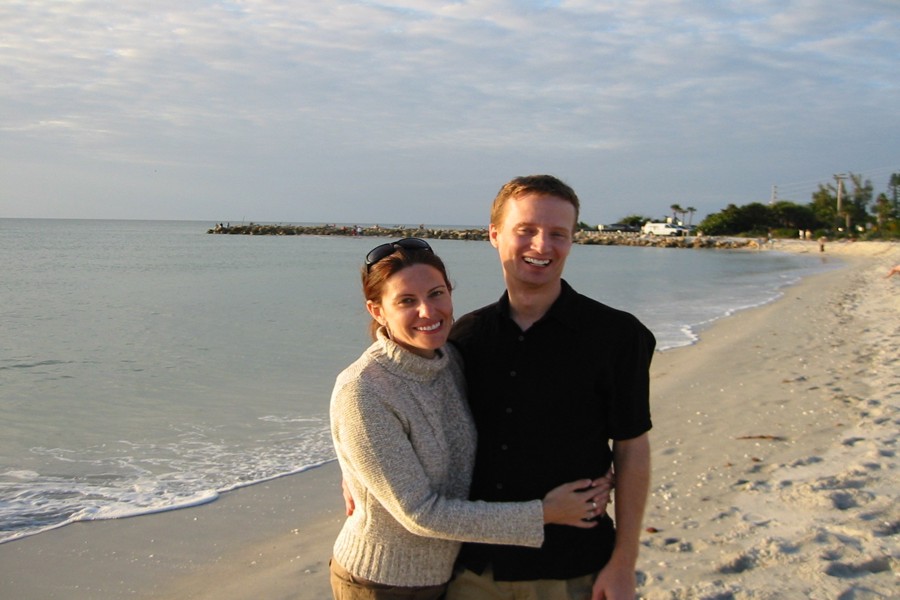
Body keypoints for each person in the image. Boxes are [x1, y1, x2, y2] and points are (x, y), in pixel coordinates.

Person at [329, 238, 612, 600]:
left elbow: (509, 421)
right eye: (406, 301)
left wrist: (594, 464)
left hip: (446, 573)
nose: (428, 311)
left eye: (436, 293)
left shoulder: (450, 360)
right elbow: (420, 513)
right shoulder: (363, 390)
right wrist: (545, 514)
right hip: (382, 583)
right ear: (377, 310)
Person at [447, 175, 655, 600]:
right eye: (525, 230)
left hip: (571, 568)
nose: (541, 247)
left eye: (557, 234)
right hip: (472, 571)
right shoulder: (465, 337)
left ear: (572, 241)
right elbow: (418, 414)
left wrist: (623, 562)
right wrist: (358, 475)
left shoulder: (617, 336)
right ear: (494, 235)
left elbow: (632, 448)